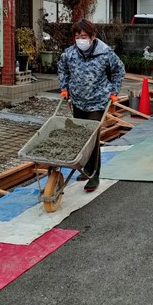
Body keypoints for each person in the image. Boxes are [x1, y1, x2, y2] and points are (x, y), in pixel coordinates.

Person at [57, 18, 125, 192]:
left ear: (93, 36)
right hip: (78, 101)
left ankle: (94, 175)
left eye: (84, 36)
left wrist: (113, 92)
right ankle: (86, 168)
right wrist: (64, 88)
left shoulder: (105, 53)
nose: (81, 39)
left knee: (92, 139)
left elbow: (119, 70)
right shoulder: (69, 54)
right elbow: (62, 69)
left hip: (98, 102)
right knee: (81, 137)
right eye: (78, 36)